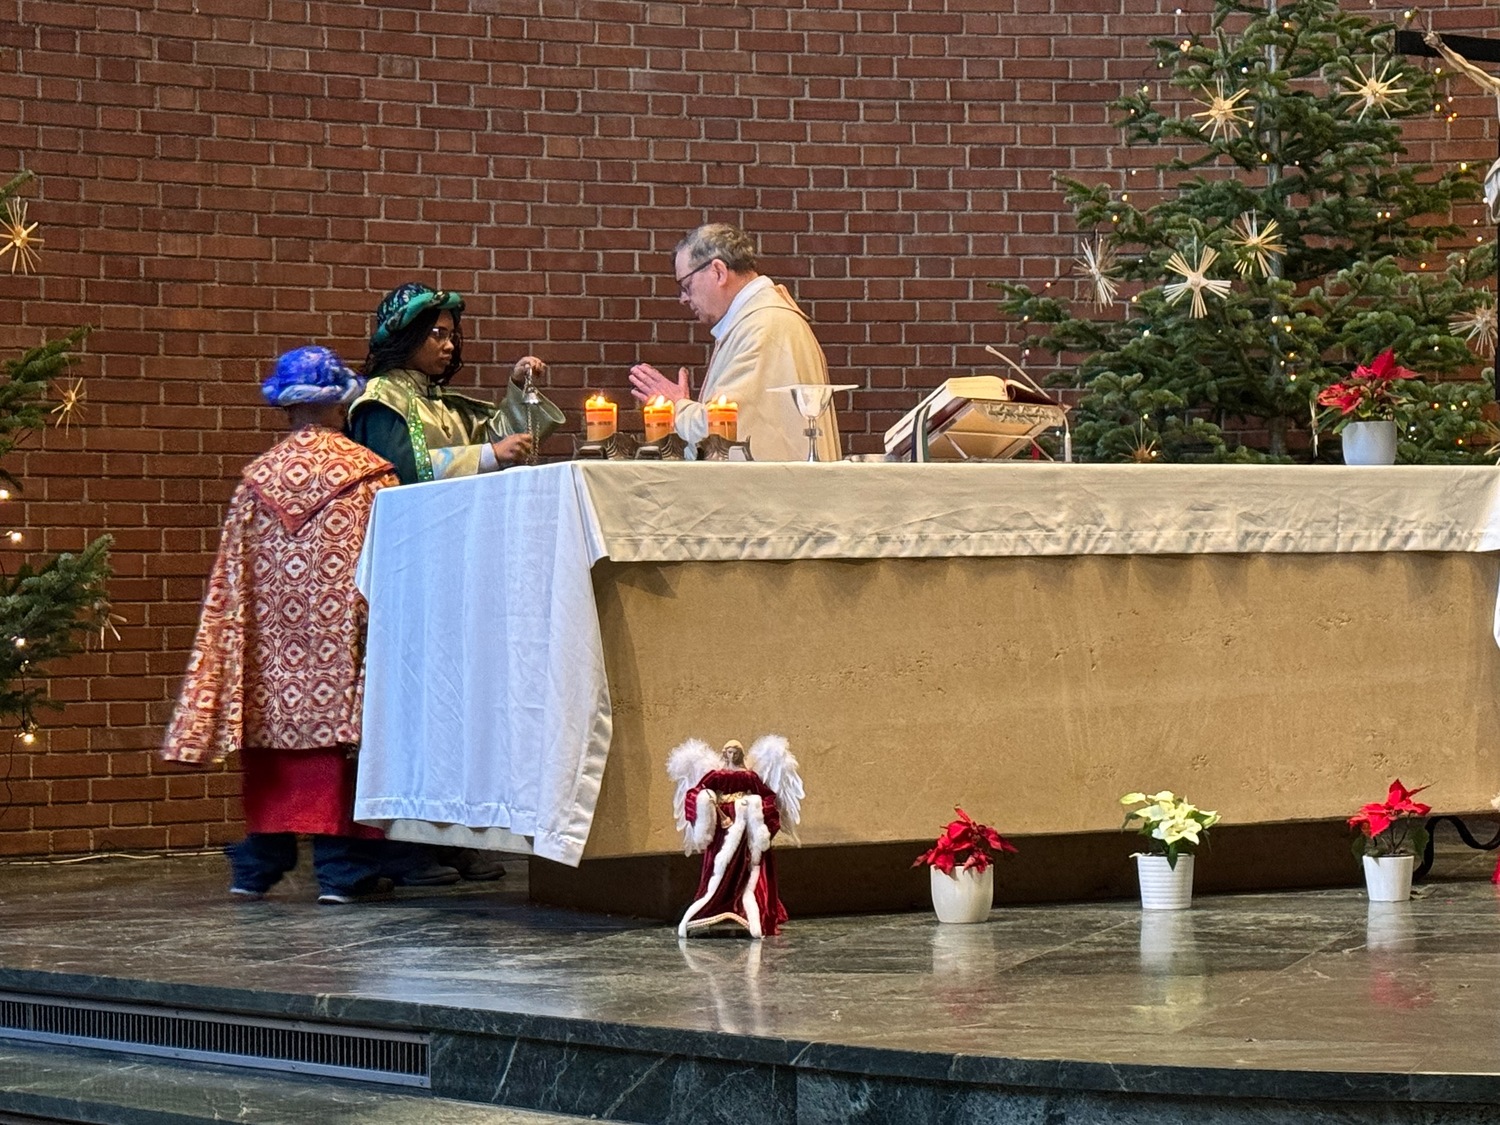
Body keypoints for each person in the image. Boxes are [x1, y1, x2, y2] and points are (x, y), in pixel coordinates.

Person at [161, 346, 399, 905]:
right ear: (340, 403)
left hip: (270, 663)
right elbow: (393, 568)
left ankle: (257, 866)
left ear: (287, 407)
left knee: (273, 767)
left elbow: (230, 581)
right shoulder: (371, 479)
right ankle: (342, 872)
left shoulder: (254, 484)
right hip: (343, 653)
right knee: (341, 761)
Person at [628, 223, 841, 461]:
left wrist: (678, 407)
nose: (683, 299)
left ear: (718, 272)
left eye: (686, 286)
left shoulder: (762, 328)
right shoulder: (757, 321)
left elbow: (726, 433)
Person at [346, 282, 547, 483]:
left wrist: (519, 386)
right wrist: (489, 454)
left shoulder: (437, 400)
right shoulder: (382, 400)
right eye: (438, 334)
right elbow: (401, 472)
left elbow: (504, 442)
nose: (450, 345)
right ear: (409, 335)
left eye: (451, 335)